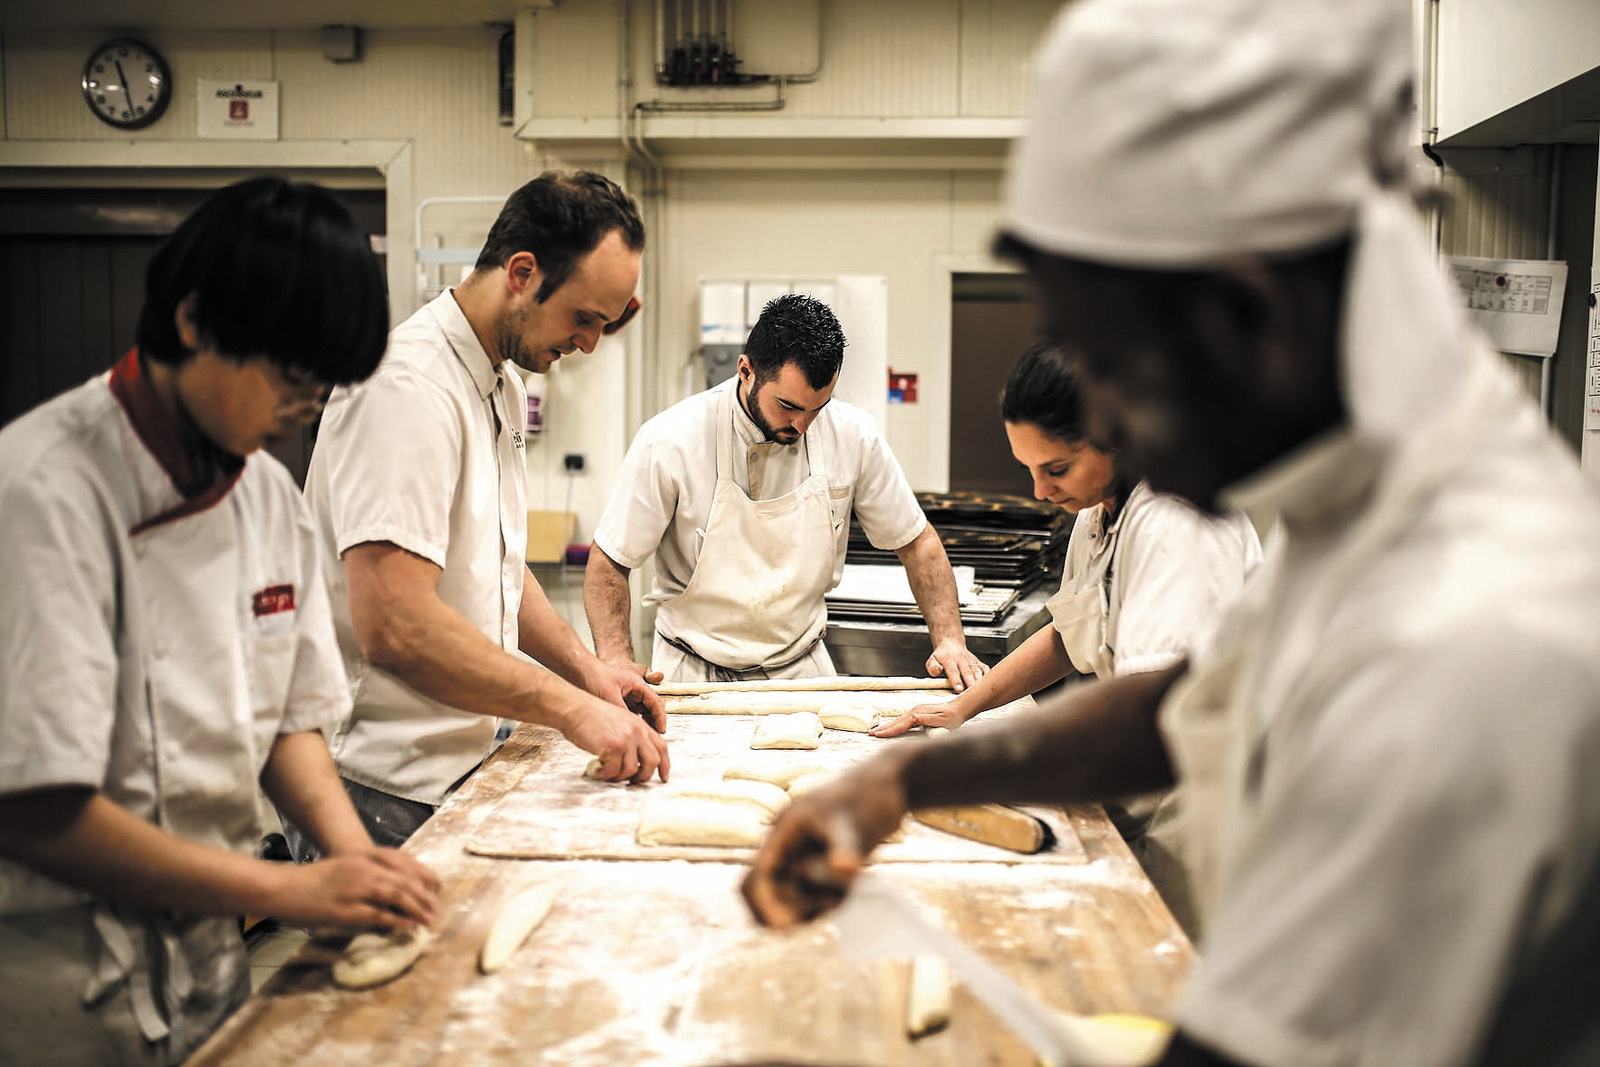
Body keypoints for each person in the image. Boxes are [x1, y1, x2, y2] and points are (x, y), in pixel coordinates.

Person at [742, 2, 1600, 1065]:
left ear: (1243, 308)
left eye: (1114, 362)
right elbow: (1184, 699)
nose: (1104, 423)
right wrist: (910, 779)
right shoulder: (1354, 499)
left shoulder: (1456, 634)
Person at [0, 177, 441, 1065]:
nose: (306, 409)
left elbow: (290, 722)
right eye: (291, 377)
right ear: (195, 321)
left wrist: (361, 869)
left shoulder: (268, 497)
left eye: (325, 389)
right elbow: (41, 809)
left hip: (209, 957)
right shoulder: (41, 491)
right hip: (56, 978)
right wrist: (300, 890)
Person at [298, 171, 668, 860]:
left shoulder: (495, 381)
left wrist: (588, 672)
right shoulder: (408, 389)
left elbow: (493, 567)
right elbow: (396, 627)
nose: (590, 343)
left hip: (452, 767)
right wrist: (567, 707)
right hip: (379, 783)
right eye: (586, 317)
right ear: (523, 272)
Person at [872, 338, 1261, 933]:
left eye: (1056, 469)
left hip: (1202, 804)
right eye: (1029, 469)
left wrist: (984, 763)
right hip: (1146, 784)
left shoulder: (1176, 518)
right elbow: (1069, 634)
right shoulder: (1098, 514)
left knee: (1174, 970)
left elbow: (1147, 703)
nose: (1039, 493)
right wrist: (963, 708)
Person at [585, 292, 987, 688]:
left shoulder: (853, 434)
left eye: (818, 408)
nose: (802, 425)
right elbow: (610, 561)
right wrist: (617, 660)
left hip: (802, 669)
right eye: (788, 406)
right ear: (745, 371)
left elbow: (917, 542)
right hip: (692, 670)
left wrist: (950, 641)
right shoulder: (670, 440)